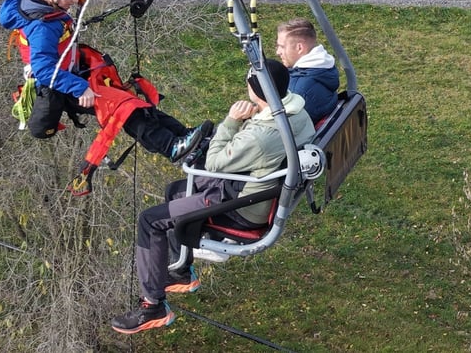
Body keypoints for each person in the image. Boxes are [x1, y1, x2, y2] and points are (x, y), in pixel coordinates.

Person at [110, 58, 316, 334]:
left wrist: (231, 121)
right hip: (260, 192)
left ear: (257, 91)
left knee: (150, 221)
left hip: (240, 207)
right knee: (177, 191)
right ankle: (181, 270)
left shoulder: (262, 135)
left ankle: (153, 305)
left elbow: (215, 162)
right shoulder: (298, 112)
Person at [0, 0, 210, 164]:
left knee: (130, 101)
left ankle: (184, 135)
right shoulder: (43, 26)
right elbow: (44, 70)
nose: (73, 0)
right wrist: (79, 88)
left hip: (72, 73)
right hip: (61, 86)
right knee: (123, 108)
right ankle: (171, 147)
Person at [275, 17, 339, 123]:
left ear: (299, 48)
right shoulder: (324, 68)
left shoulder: (298, 92)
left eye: (282, 47)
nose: (278, 52)